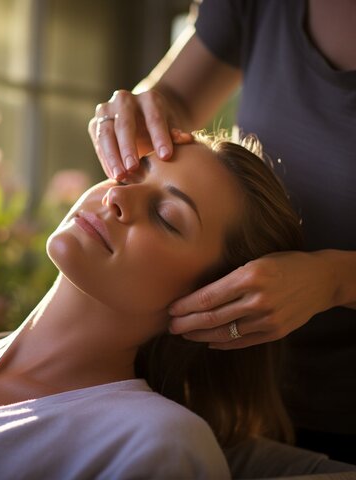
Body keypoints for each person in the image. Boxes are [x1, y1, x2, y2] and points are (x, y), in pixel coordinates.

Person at [0, 131, 333, 479]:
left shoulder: (153, 444)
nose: (117, 196)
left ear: (218, 296)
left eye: (167, 217)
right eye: (131, 172)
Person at [88, 0, 356, 465]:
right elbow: (174, 100)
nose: (114, 197)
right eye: (138, 172)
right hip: (240, 404)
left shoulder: (163, 446)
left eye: (171, 218)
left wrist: (336, 278)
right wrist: (145, 110)